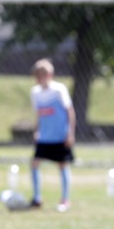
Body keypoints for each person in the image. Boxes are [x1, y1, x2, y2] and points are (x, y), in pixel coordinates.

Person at [29, 59, 76, 212]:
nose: (40, 77)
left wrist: (70, 133)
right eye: (38, 75)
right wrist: (36, 131)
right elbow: (38, 115)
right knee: (34, 163)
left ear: (50, 74)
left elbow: (70, 112)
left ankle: (65, 199)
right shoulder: (35, 92)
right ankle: (37, 198)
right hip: (44, 137)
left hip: (59, 136)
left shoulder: (59, 90)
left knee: (62, 165)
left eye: (44, 74)